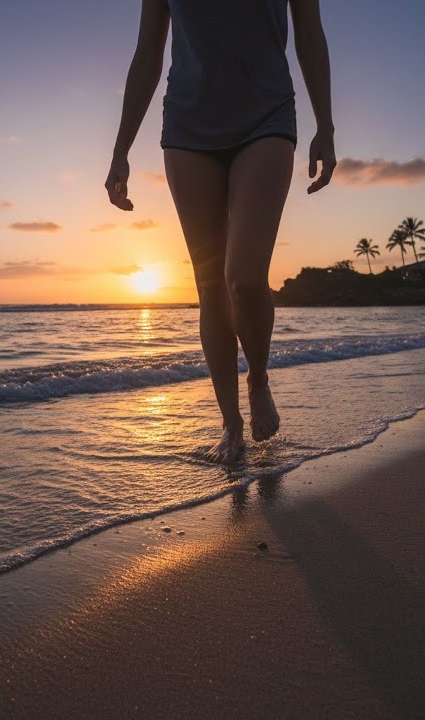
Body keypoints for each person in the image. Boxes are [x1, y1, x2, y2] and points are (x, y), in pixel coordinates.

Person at [105, 0, 336, 463]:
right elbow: (148, 52)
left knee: (244, 278)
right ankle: (230, 424)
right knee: (211, 287)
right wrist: (121, 148)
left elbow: (309, 32)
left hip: (266, 114)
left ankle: (258, 378)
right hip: (189, 124)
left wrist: (325, 125)